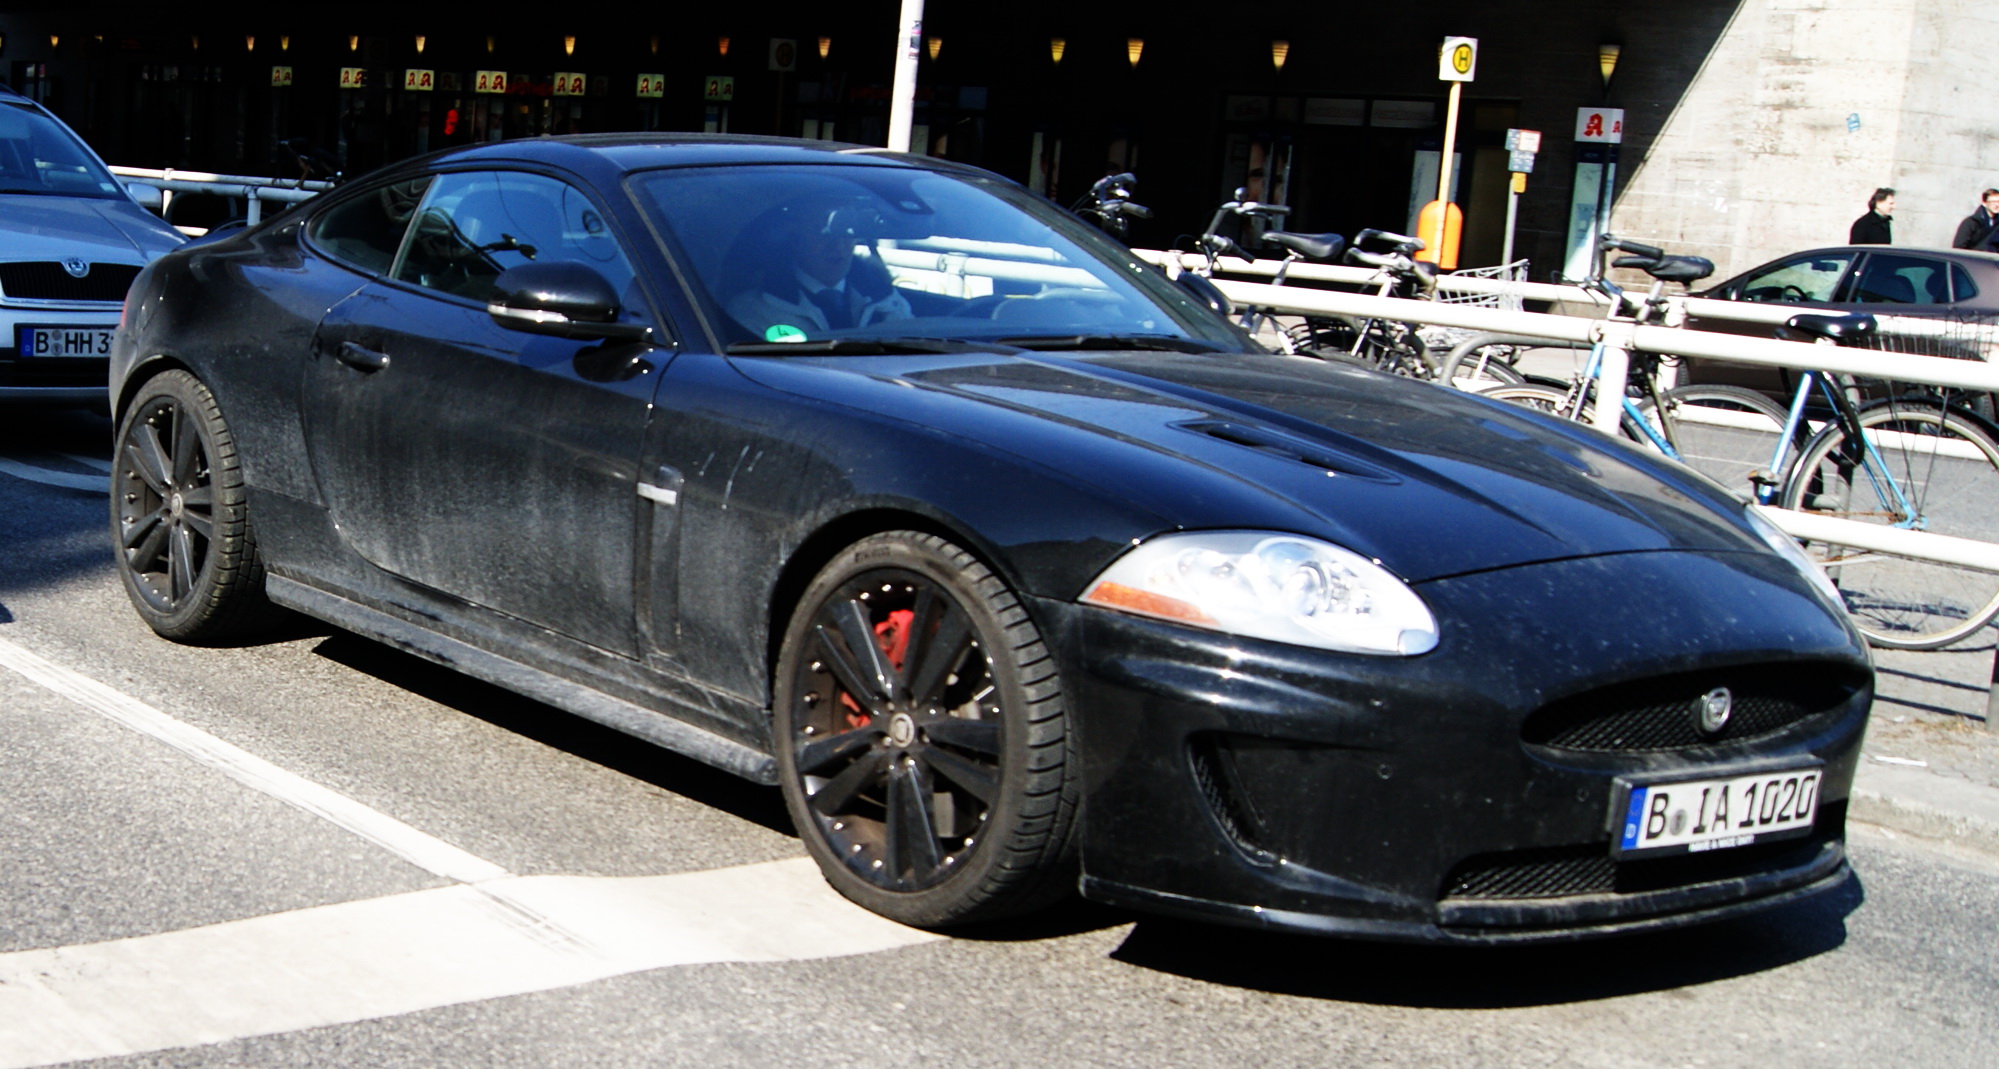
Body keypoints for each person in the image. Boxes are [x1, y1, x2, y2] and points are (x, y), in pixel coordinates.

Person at [726, 196, 911, 340]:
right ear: (796, 236)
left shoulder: (886, 300)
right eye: (822, 232)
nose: (837, 246)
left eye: (846, 232)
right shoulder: (755, 310)